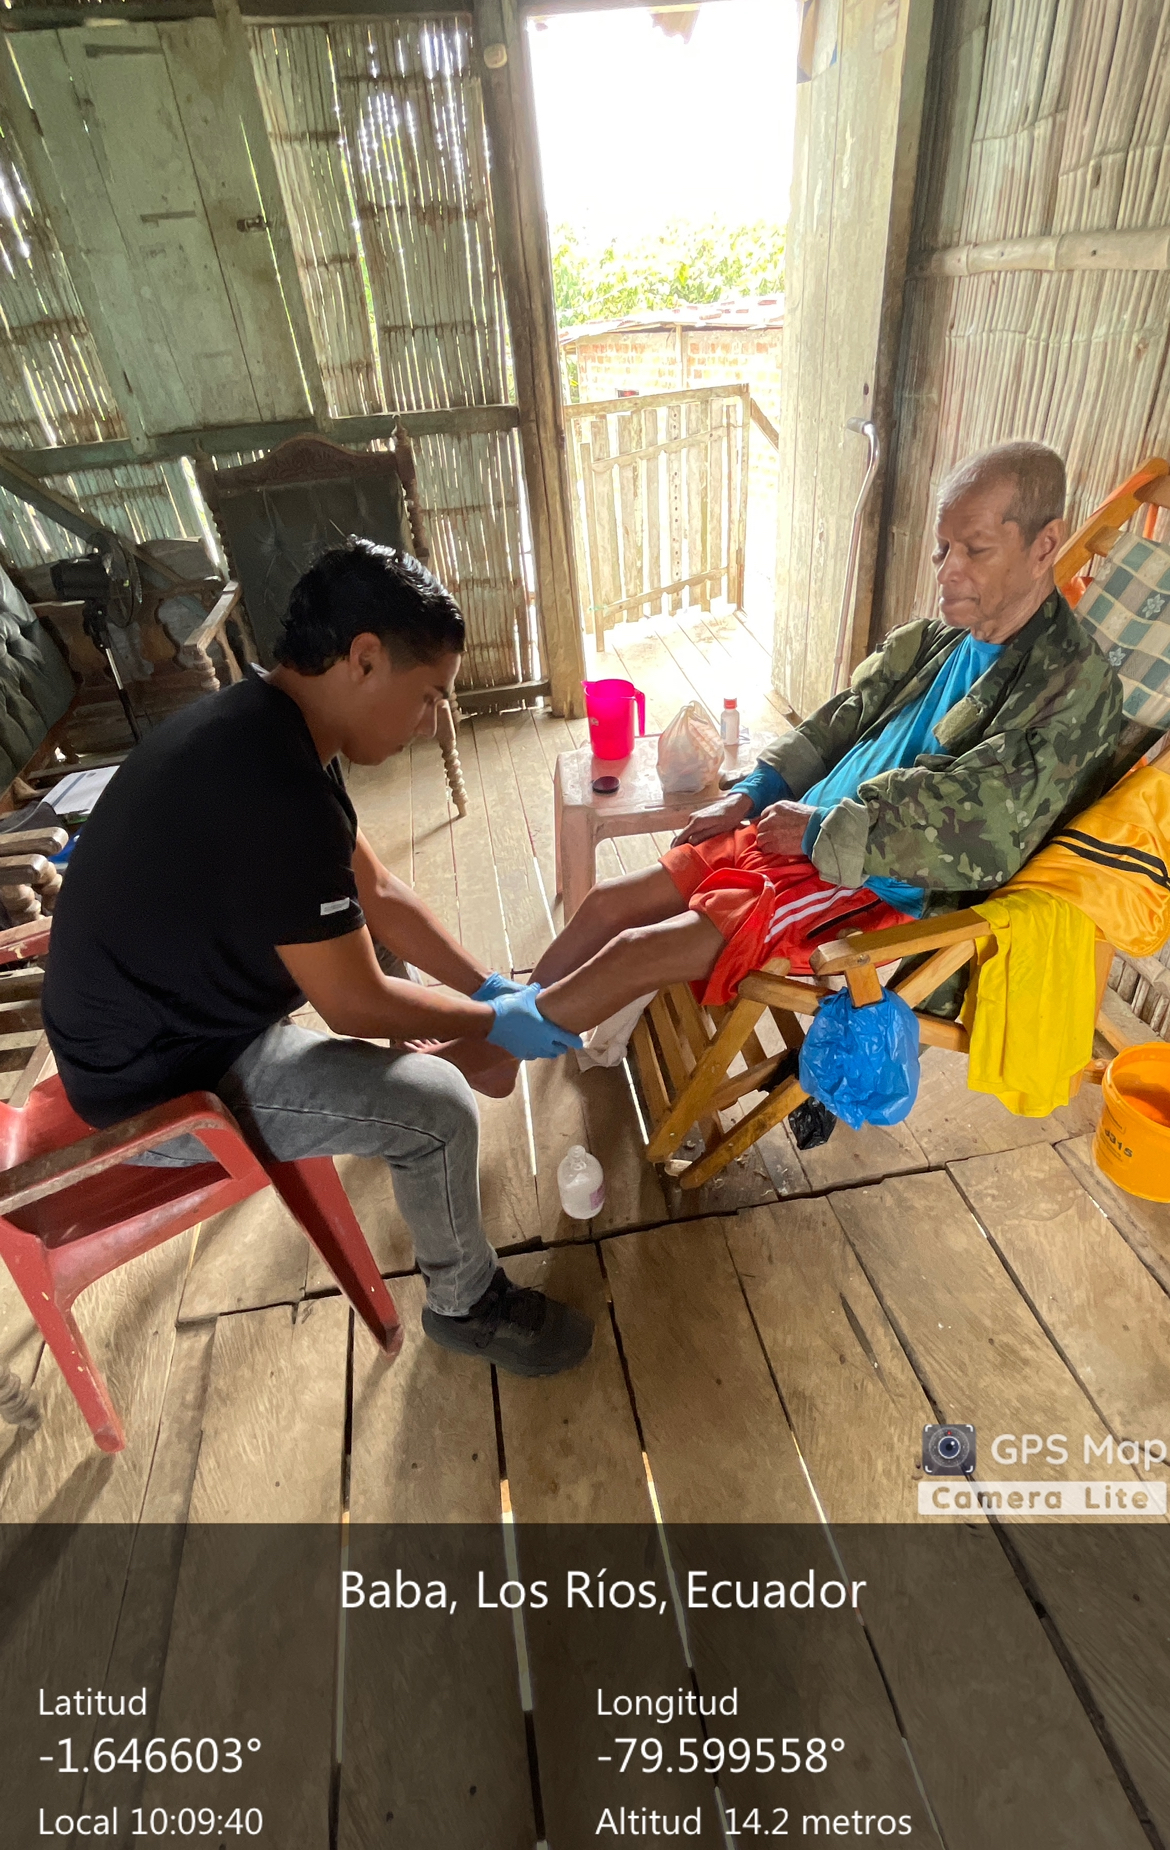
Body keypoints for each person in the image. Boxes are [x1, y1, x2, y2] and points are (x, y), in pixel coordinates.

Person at [42, 540, 593, 1378]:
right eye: (428, 695)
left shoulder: (270, 725)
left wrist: (485, 987)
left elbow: (382, 894)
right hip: (157, 1082)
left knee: (373, 944)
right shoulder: (277, 791)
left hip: (163, 1009)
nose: (432, 721)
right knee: (438, 1107)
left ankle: (428, 1053)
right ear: (364, 659)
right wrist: (491, 1022)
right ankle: (466, 1304)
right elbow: (354, 1004)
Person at [519, 441, 1124, 1038]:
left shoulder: (1070, 687)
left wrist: (817, 830)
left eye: (975, 549)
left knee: (636, 952)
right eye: (942, 548)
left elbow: (987, 827)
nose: (946, 571)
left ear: (1045, 546)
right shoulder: (941, 641)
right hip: (791, 829)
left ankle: (493, 1040)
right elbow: (842, 719)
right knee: (606, 904)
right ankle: (499, 1020)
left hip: (862, 882)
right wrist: (753, 792)